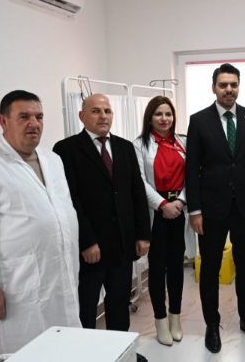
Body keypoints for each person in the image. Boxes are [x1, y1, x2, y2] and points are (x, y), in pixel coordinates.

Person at [0, 90, 81, 354]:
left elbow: (60, 214)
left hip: (62, 278)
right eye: (24, 116)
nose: (34, 123)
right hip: (19, 289)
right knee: (26, 353)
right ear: (3, 121)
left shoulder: (53, 161)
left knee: (68, 350)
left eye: (39, 116)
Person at [186, 63, 245, 353]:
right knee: (210, 269)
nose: (229, 90)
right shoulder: (199, 121)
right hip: (211, 210)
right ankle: (212, 324)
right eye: (223, 85)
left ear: (238, 87)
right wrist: (194, 210)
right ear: (214, 88)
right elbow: (191, 169)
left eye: (233, 84)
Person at [53, 93, 151, 332]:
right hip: (91, 249)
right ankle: (88, 350)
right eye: (96, 111)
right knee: (86, 308)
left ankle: (120, 349)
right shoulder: (66, 149)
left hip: (122, 244)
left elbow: (137, 192)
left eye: (107, 111)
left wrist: (142, 234)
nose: (103, 116)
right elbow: (70, 200)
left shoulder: (124, 147)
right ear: (82, 116)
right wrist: (87, 241)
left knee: (119, 303)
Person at [132, 96, 187, 346]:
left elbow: (192, 175)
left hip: (179, 209)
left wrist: (181, 202)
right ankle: (160, 320)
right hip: (157, 213)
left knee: (177, 267)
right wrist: (163, 205)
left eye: (168, 114)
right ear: (150, 117)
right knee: (157, 268)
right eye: (158, 114)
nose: (164, 119)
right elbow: (140, 181)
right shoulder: (139, 145)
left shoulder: (182, 142)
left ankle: (175, 317)